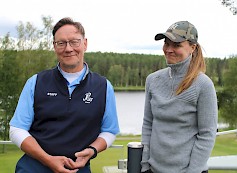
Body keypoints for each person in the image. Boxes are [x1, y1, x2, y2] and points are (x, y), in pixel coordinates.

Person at [9, 17, 120, 173]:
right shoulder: (36, 82)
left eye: (74, 41)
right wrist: (47, 160)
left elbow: (109, 131)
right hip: (33, 168)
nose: (68, 48)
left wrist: (92, 150)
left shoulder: (103, 86)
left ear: (85, 44)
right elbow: (17, 130)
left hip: (77, 169)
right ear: (54, 46)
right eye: (61, 43)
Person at [141, 21, 218, 173]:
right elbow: (148, 124)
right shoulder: (152, 80)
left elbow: (207, 135)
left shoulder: (203, 85)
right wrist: (144, 166)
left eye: (176, 45)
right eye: (166, 43)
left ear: (193, 48)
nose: (169, 50)